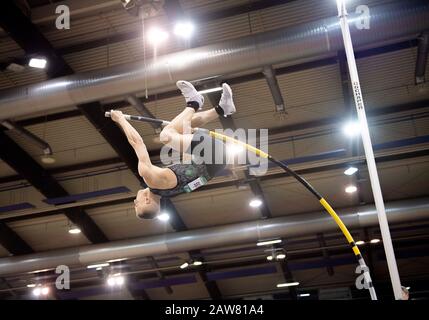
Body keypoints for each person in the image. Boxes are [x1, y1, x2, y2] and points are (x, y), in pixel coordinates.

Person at [110, 80, 236, 219]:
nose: (134, 201)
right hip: (213, 156)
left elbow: (192, 170)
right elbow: (137, 142)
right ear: (146, 200)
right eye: (136, 204)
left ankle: (222, 109)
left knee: (184, 124)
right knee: (166, 135)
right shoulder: (150, 178)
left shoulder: (171, 192)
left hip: (216, 160)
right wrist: (120, 119)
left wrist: (187, 133)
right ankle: (194, 103)